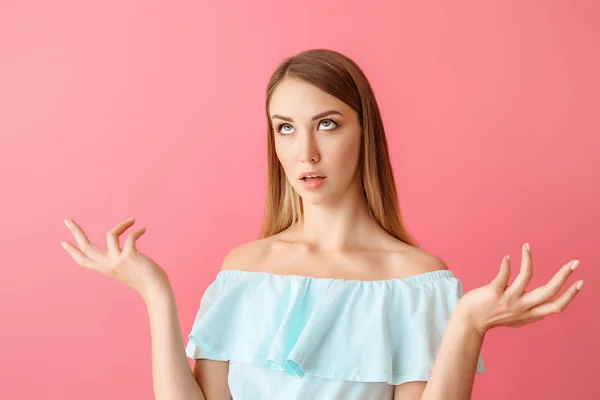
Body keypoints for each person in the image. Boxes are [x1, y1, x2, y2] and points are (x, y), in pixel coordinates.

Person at [61, 48, 584, 400]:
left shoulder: (415, 281)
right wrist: (155, 294)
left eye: (327, 125)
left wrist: (469, 323)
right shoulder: (245, 270)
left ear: (365, 131)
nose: (305, 152)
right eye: (285, 128)